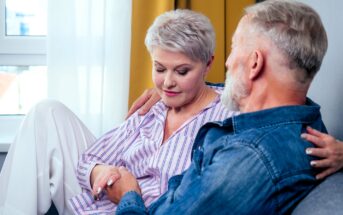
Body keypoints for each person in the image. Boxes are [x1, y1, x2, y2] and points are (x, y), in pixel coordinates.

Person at [100, 0, 340, 214]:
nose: (227, 61)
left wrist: (127, 195)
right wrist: (168, 90)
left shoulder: (246, 162)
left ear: (254, 63)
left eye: (235, 47)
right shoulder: (308, 124)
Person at [0, 9, 236, 215]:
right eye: (160, 68)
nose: (167, 83)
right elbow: (89, 159)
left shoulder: (229, 116)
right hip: (96, 202)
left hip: (138, 209)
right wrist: (99, 172)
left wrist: (129, 196)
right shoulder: (153, 107)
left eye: (182, 72)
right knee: (46, 111)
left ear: (208, 64)